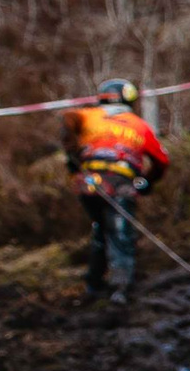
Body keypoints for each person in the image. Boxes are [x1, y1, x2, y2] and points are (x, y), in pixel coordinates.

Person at [62, 78, 169, 302]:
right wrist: (149, 181)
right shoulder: (139, 125)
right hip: (120, 185)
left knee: (101, 229)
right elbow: (161, 161)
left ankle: (93, 283)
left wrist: (72, 158)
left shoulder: (87, 116)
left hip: (89, 184)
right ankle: (120, 288)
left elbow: (67, 121)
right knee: (120, 235)